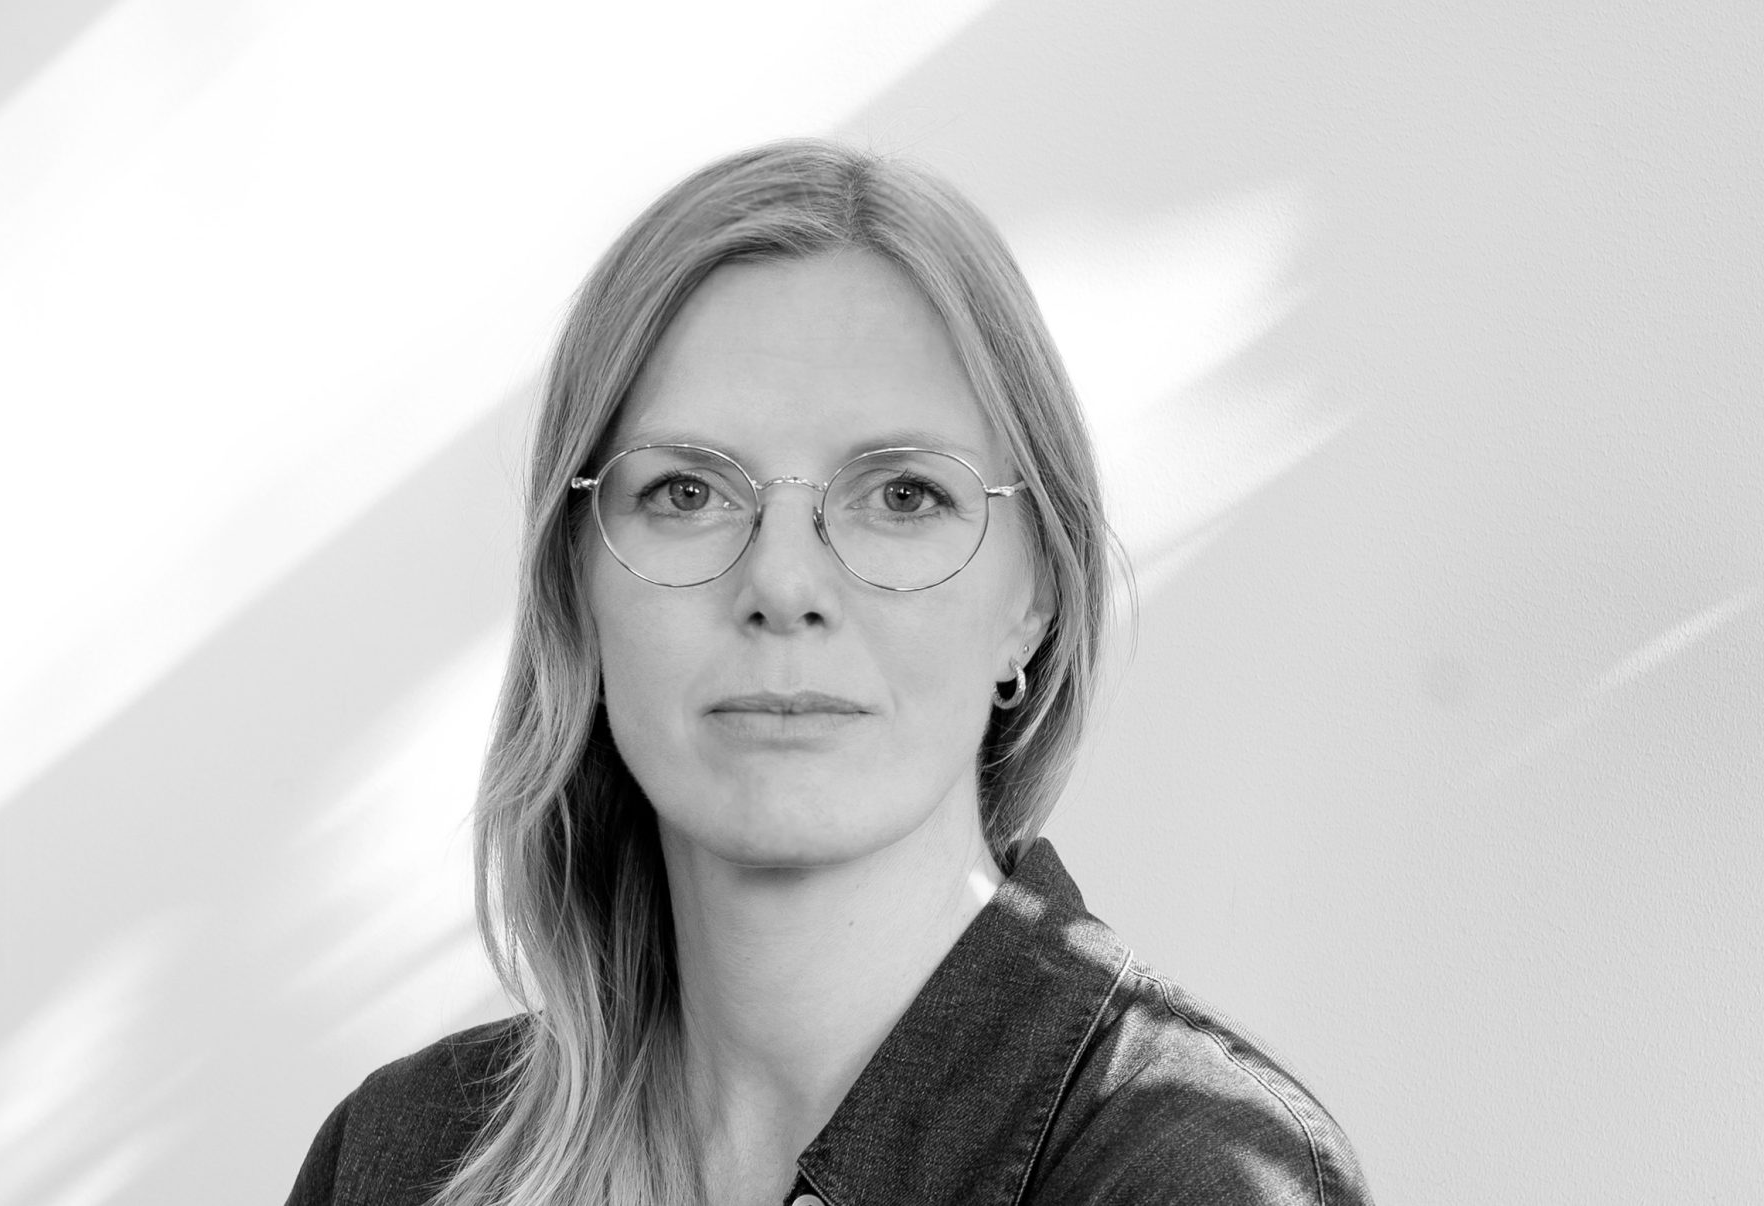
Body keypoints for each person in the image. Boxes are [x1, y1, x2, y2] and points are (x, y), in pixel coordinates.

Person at [285, 139, 1374, 1206]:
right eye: (687, 493)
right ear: (576, 586)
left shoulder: (1189, 1175)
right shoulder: (396, 1159)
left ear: (1035, 598)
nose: (784, 583)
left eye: (902, 495)